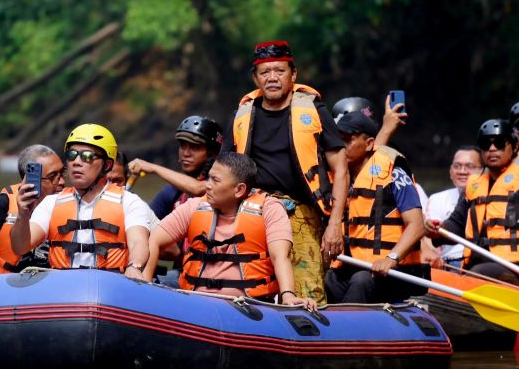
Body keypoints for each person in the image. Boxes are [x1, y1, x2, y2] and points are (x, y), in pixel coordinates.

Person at [220, 40, 349, 304]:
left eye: (279, 71)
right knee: (251, 282)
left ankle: (312, 337)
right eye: (265, 73)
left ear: (293, 75)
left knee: (307, 289)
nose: (272, 78)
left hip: (301, 213)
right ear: (256, 78)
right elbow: (224, 169)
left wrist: (335, 223)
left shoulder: (314, 110)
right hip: (255, 210)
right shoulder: (242, 114)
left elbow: (341, 168)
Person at [143, 152, 317, 311]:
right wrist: (144, 283)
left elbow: (280, 256)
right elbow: (153, 240)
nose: (207, 186)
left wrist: (288, 295)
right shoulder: (195, 206)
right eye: (208, 178)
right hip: (195, 302)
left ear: (239, 189)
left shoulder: (269, 208)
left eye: (215, 180)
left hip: (248, 307)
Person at [11, 124, 151, 279]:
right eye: (72, 155)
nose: (76, 162)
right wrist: (23, 214)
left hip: (109, 285)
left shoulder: (129, 202)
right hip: (64, 286)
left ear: (107, 165)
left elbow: (138, 242)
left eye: (87, 156)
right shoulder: (51, 203)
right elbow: (20, 247)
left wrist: (134, 266)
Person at [325, 111, 427, 303]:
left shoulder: (394, 172)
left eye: (348, 140)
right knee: (328, 280)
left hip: (391, 270)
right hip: (351, 265)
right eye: (338, 141)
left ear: (370, 143)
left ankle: (347, 329)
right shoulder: (337, 177)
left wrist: (391, 258)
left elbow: (417, 225)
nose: (340, 147)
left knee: (361, 281)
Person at [426, 119, 519, 283]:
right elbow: (457, 224)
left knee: (478, 272)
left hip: (512, 265)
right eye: (485, 144)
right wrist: (439, 228)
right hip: (475, 264)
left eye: (499, 143)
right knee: (431, 274)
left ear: (515, 147)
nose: (492, 149)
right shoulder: (474, 184)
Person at [0, 144, 65, 281]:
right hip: (3, 290)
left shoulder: (69, 204)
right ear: (30, 179)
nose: (62, 181)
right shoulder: (0, 206)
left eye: (62, 173)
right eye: (53, 176)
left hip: (47, 291)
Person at [129, 115, 223, 219]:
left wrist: (153, 168)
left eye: (195, 147)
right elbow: (147, 220)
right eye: (183, 146)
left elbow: (198, 188)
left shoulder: (221, 182)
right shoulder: (173, 191)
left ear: (212, 153)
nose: (186, 153)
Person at [424, 146, 482, 268]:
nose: (462, 171)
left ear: (483, 170)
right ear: (450, 172)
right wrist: (433, 256)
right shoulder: (437, 198)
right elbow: (429, 236)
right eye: (457, 166)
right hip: (447, 264)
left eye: (470, 166)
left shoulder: (492, 196)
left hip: (480, 263)